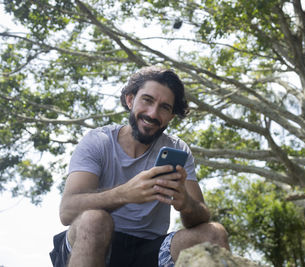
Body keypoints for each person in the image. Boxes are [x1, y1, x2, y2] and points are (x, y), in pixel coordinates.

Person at [49, 66, 230, 267]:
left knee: (214, 232)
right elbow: (67, 211)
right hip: (92, 243)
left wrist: (186, 203)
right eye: (147, 100)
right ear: (130, 100)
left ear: (171, 116)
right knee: (94, 219)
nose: (153, 113)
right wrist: (125, 193)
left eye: (165, 107)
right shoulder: (98, 141)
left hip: (148, 251)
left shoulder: (178, 149)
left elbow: (201, 215)